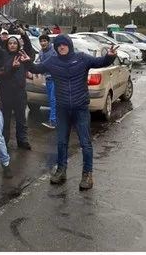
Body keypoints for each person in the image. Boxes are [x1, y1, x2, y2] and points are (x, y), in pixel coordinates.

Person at [20, 35, 119, 190]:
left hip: (80, 108)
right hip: (62, 109)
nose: (61, 47)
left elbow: (101, 62)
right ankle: (61, 170)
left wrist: (110, 56)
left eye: (64, 45)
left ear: (69, 46)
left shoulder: (82, 58)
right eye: (58, 46)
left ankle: (87, 174)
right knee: (61, 142)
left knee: (85, 143)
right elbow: (36, 68)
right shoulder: (53, 61)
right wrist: (27, 61)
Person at [0, 26, 35, 149]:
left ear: (18, 45)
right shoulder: (4, 55)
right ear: (7, 45)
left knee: (21, 119)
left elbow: (29, 48)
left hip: (20, 93)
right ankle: (5, 140)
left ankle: (22, 140)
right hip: (5, 92)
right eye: (10, 43)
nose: (13, 45)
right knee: (5, 119)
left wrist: (24, 34)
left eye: (15, 43)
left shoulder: (23, 55)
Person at [38, 34, 57, 129]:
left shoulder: (53, 52)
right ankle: (56, 119)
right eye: (41, 41)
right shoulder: (41, 52)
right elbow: (40, 64)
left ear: (48, 42)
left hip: (55, 79)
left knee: (54, 100)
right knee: (51, 100)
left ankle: (53, 121)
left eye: (45, 41)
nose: (43, 43)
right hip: (48, 79)